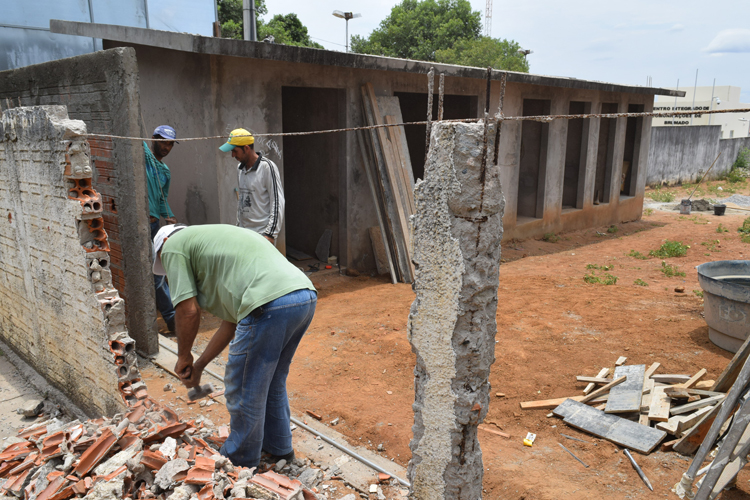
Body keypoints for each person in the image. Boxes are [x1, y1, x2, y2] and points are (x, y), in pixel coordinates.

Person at [152, 224, 317, 468]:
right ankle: (279, 448)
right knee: (271, 380)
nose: (170, 271)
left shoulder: (173, 246)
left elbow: (187, 311)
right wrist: (198, 366)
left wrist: (183, 356)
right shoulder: (217, 249)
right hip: (302, 296)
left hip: (269, 302)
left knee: (241, 385)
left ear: (163, 245)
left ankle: (239, 459)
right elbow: (230, 326)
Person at [219, 129, 285, 245]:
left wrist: (270, 234)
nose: (232, 155)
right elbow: (242, 201)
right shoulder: (240, 169)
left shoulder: (267, 167)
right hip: (244, 233)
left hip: (262, 235)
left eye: (235, 151)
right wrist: (238, 227)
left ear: (246, 148)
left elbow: (278, 201)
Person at [144, 125, 178, 333]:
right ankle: (172, 319)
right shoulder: (145, 158)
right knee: (156, 277)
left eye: (171, 144)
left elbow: (162, 198)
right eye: (164, 142)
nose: (167, 147)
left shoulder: (164, 172)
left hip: (154, 225)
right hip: (140, 225)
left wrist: (170, 216)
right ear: (154, 139)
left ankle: (172, 319)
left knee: (158, 273)